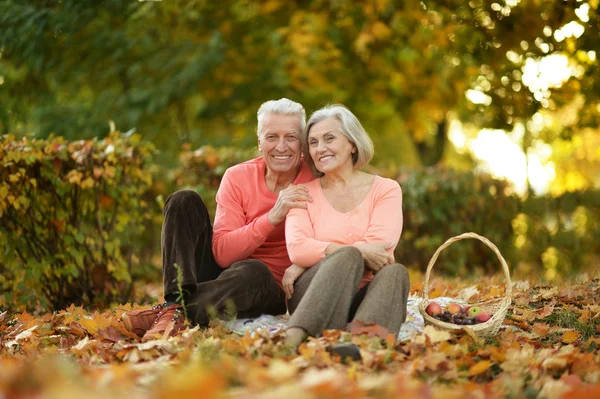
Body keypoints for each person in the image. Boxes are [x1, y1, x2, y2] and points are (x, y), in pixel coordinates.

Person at [121, 98, 315, 340]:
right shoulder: (237, 177)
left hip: (267, 287)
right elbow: (222, 254)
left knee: (253, 269)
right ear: (259, 142)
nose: (281, 146)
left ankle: (171, 313)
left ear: (303, 144)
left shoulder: (316, 179)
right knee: (183, 200)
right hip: (224, 276)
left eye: (291, 137)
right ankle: (175, 303)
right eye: (272, 137)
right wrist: (272, 217)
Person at [281, 104, 410, 349]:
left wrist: (317, 253)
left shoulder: (386, 189)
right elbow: (297, 248)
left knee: (396, 272)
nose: (320, 149)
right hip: (314, 295)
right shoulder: (302, 194)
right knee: (348, 255)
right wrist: (355, 252)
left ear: (352, 143)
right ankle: (292, 342)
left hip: (366, 299)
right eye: (314, 142)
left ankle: (360, 348)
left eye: (329, 138)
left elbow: (380, 249)